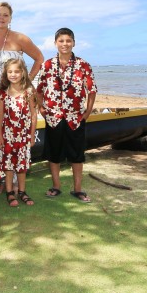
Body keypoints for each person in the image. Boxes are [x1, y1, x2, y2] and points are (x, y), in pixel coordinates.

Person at [34, 27, 97, 203]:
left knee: (77, 155)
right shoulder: (47, 65)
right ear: (55, 43)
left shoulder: (83, 65)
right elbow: (39, 90)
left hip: (75, 118)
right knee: (54, 154)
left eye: (68, 40)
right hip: (54, 118)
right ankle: (56, 186)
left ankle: (77, 189)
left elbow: (91, 90)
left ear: (74, 43)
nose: (65, 44)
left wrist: (87, 112)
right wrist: (41, 108)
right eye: (61, 41)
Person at [0, 57, 39, 207]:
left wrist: (32, 135)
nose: (13, 74)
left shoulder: (28, 92)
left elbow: (33, 115)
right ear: (6, 74)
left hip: (23, 136)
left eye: (17, 71)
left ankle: (22, 191)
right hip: (8, 136)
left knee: (21, 166)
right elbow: (0, 116)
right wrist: (0, 137)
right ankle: (9, 192)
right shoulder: (3, 93)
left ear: (23, 73)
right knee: (9, 166)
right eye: (10, 71)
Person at [0, 2, 44, 93]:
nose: (1, 18)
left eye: (5, 15)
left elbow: (39, 58)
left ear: (10, 19)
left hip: (15, 95)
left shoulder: (20, 39)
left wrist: (29, 79)